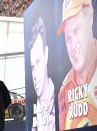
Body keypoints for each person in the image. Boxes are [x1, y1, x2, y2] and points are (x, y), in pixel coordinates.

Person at [57, 0, 97, 130]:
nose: (73, 46)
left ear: (90, 16)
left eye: (77, 30)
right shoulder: (64, 91)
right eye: (68, 38)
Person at [29, 17, 55, 131]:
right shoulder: (36, 107)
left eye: (38, 62)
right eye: (32, 67)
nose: (34, 75)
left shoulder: (58, 101)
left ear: (47, 55)